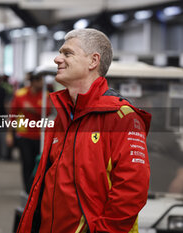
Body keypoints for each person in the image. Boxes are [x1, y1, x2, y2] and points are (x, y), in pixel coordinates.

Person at [17, 28, 151, 233]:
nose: (57, 59)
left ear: (93, 61)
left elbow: (132, 190)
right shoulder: (63, 116)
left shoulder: (122, 117)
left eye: (67, 53)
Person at [6, 73, 50, 193]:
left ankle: (36, 189)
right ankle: (27, 190)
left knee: (39, 164)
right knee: (27, 163)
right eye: (40, 81)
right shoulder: (20, 94)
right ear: (33, 82)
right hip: (24, 135)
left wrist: (32, 110)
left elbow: (47, 112)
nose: (42, 83)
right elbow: (12, 116)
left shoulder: (45, 95)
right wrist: (9, 134)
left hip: (40, 136)